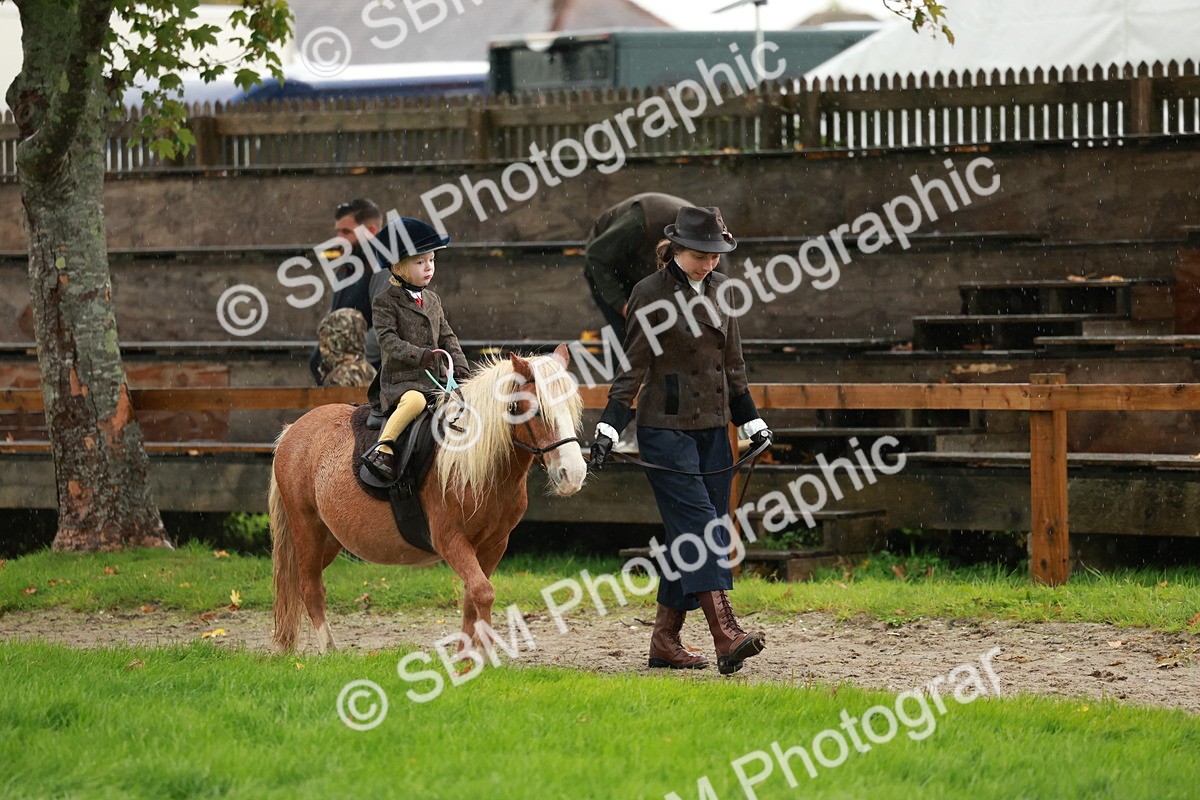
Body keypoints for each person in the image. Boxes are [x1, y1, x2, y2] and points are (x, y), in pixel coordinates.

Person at [590, 206, 773, 676]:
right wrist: (610, 426)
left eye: (715, 256)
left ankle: (665, 640)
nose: (708, 264)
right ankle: (726, 635)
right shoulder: (648, 293)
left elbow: (733, 365)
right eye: (699, 256)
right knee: (701, 528)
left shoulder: (723, 290)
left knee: (691, 534)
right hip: (664, 430)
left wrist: (751, 421)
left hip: (714, 428)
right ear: (675, 249)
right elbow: (633, 366)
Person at [360, 217, 468, 483]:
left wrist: (461, 366)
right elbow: (388, 341)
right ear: (397, 267)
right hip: (402, 381)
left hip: (437, 380)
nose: (429, 267)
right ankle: (383, 448)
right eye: (420, 263)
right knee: (415, 402)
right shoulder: (385, 302)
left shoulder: (433, 300)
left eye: (432, 260)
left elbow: (447, 336)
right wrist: (420, 356)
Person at [584, 192, 693, 344]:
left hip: (648, 268)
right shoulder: (640, 224)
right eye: (699, 257)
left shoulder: (710, 247)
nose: (708, 265)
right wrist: (624, 306)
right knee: (629, 337)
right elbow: (596, 257)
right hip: (608, 266)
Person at [308, 198, 384, 383]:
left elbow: (385, 327)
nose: (339, 239)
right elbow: (335, 320)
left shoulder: (383, 269)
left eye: (346, 232)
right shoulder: (346, 269)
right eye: (338, 231)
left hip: (369, 380)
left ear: (371, 231)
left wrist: (352, 362)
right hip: (341, 375)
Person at [314, 308, 376, 388]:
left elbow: (335, 396)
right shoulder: (370, 371)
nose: (321, 350)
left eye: (325, 345)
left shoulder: (338, 377)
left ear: (339, 342)